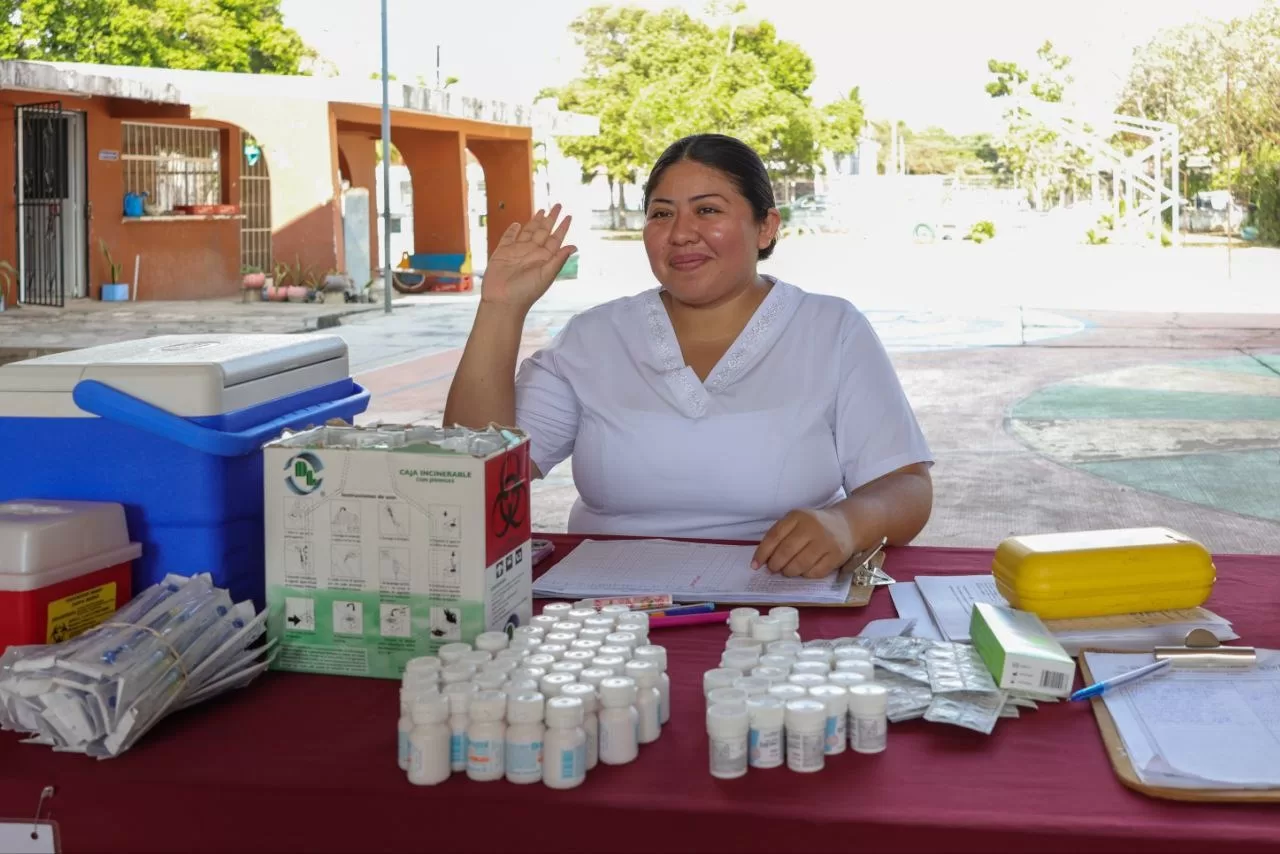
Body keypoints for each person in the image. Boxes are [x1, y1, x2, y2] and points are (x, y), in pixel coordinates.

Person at [445, 133, 933, 578]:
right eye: (661, 214)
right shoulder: (593, 338)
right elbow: (469, 475)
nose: (680, 233)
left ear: (766, 227)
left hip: (780, 606)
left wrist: (847, 525)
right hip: (605, 613)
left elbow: (906, 487)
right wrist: (500, 309)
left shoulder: (830, 329)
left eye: (707, 211)